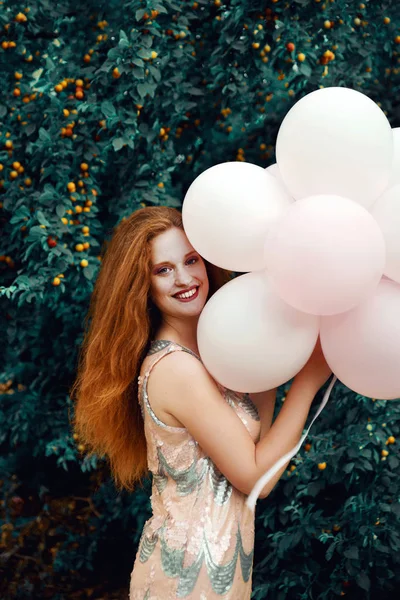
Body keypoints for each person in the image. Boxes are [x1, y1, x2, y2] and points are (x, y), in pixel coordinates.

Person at [71, 206, 332, 599]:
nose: (185, 278)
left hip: (224, 572)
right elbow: (257, 478)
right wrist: (308, 381)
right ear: (142, 286)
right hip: (186, 581)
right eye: (163, 269)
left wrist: (272, 360)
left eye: (191, 260)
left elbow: (257, 444)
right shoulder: (176, 368)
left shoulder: (211, 353)